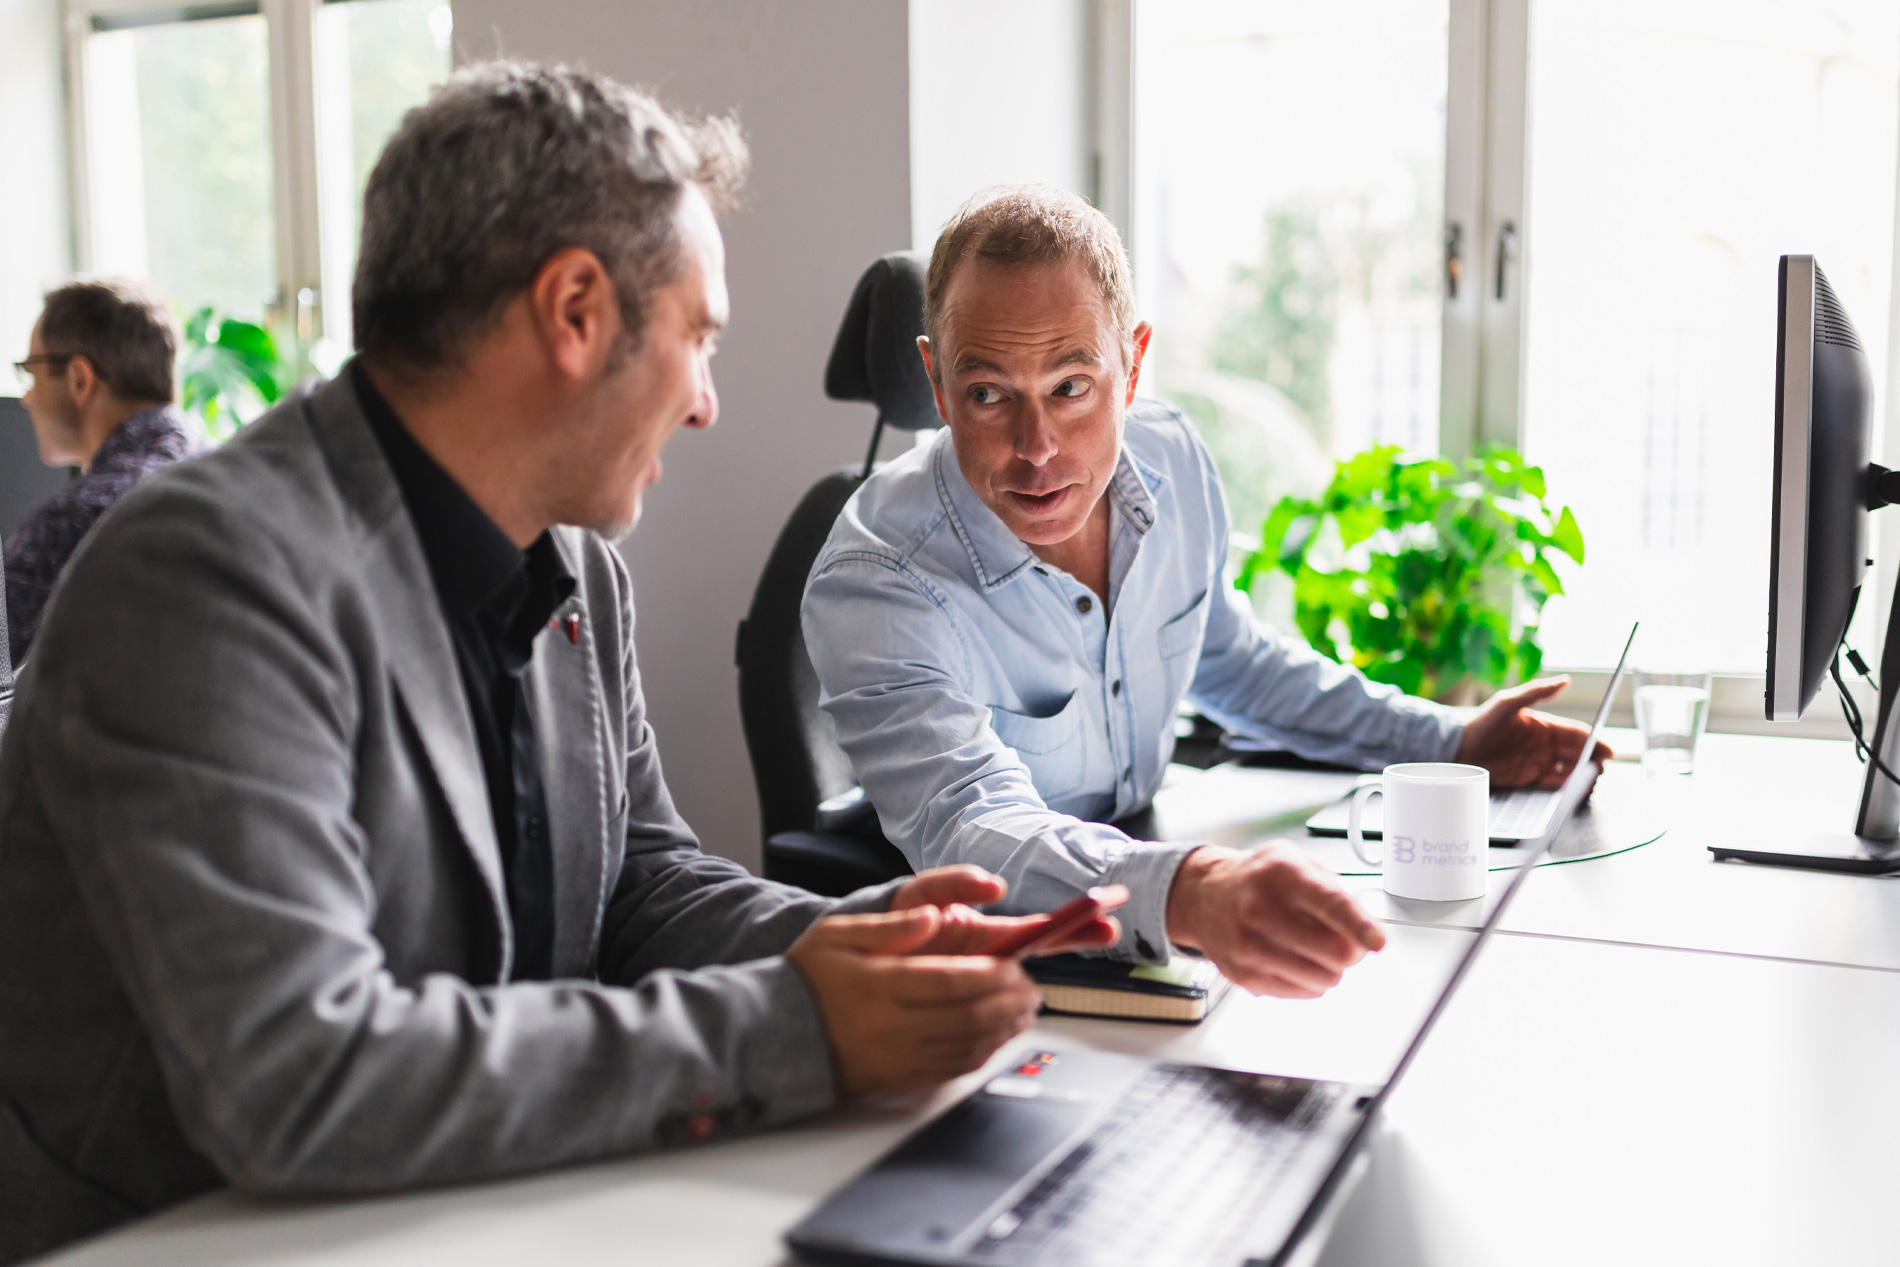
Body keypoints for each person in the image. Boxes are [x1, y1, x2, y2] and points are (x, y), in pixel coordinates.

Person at [0, 66, 1114, 1264]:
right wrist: (800, 1024)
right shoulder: (202, 578)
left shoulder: (577, 566)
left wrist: (853, 941)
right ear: (574, 309)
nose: (705, 403)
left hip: (478, 1203)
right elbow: (300, 1077)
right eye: (697, 338)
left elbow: (637, 883)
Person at [801, 185, 1604, 1000]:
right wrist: (1193, 890)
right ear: (938, 383)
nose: (1035, 449)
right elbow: (973, 823)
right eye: (988, 394)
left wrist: (1451, 741)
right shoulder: (877, 579)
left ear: (1133, 362)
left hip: (1151, 916)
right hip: (992, 971)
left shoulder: (1172, 460)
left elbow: (1234, 661)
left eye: (1071, 386)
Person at [5, 280, 205, 664]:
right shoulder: (223, 468)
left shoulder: (77, 520)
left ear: (79, 379)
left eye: (31, 373)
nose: (26, 397)